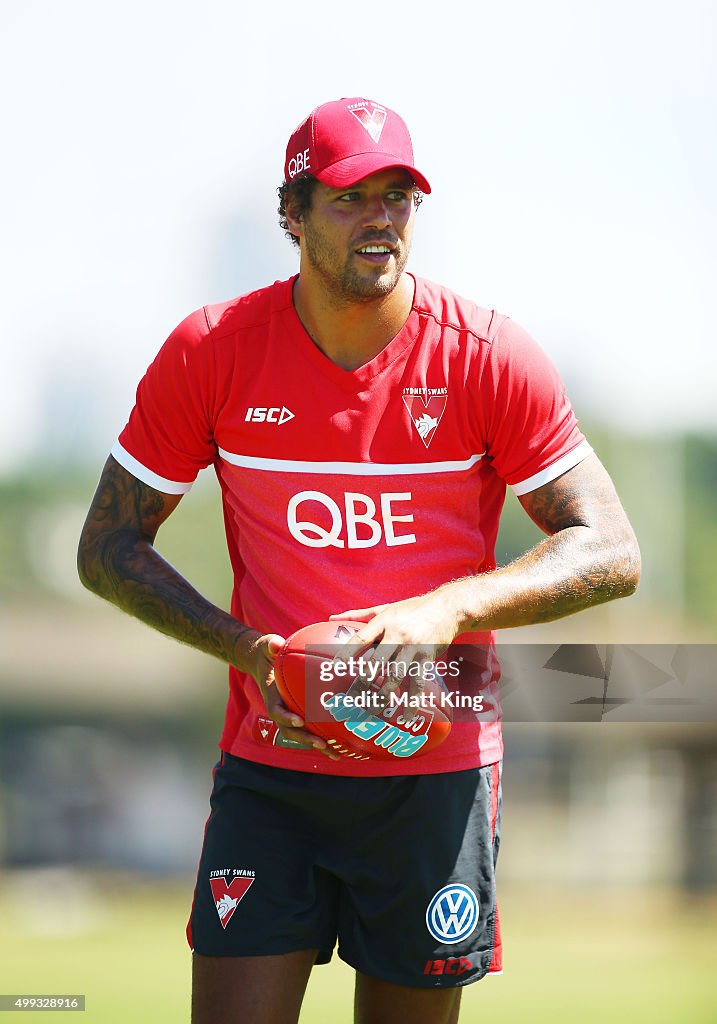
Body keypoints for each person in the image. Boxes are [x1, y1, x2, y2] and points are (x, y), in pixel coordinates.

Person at [77, 96, 641, 1024]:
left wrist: (446, 609)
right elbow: (106, 548)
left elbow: (610, 548)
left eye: (398, 196)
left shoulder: (488, 356)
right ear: (292, 213)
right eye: (348, 197)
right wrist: (255, 654)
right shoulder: (209, 355)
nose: (380, 217)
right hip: (271, 768)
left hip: (435, 771)